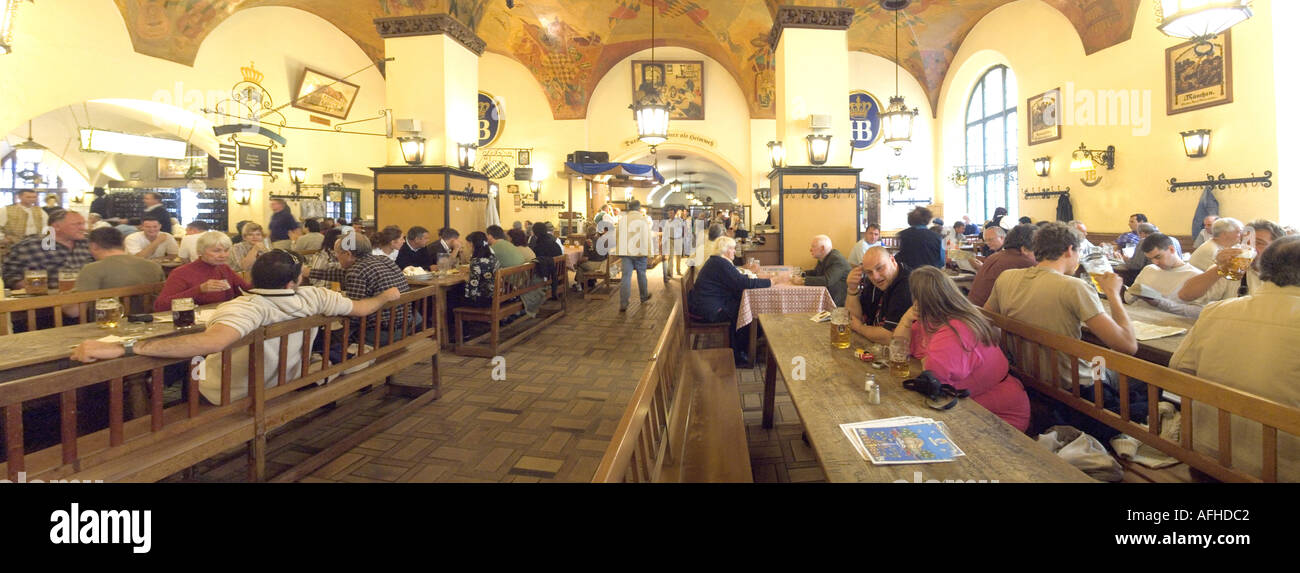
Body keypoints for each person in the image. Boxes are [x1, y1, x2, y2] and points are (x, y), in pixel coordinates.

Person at [73, 251, 402, 405]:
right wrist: (385, 296)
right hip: (283, 379)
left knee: (169, 370)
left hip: (234, 391)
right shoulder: (314, 297)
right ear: (292, 280)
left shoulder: (247, 306)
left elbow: (213, 342)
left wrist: (125, 347)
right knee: (181, 364)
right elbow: (362, 308)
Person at [984, 222, 1142, 437]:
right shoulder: (1073, 287)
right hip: (1074, 386)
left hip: (1027, 375)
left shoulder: (1007, 278)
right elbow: (1127, 346)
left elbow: (986, 320)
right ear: (1070, 249)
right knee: (1141, 373)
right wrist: (1113, 294)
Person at [1169, 235, 1300, 482]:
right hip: (1284, 468)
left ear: (1263, 269)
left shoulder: (1217, 311)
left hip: (1209, 455)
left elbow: (1178, 369)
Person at [892, 266, 1030, 431]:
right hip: (967, 401)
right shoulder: (933, 320)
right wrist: (906, 320)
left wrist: (925, 362)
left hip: (999, 415)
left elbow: (932, 380)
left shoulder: (956, 329)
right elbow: (899, 348)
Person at [309, 233, 412, 345]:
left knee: (320, 336)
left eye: (337, 254)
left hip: (379, 334)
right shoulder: (384, 260)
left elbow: (353, 316)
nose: (336, 257)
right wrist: (309, 272)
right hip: (405, 328)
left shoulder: (357, 271)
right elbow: (342, 274)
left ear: (348, 254)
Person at [689, 236, 771, 365]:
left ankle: (743, 347)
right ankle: (739, 354)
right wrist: (770, 282)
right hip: (709, 310)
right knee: (748, 314)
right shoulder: (720, 263)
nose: (734, 251)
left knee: (744, 308)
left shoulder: (717, 261)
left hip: (706, 304)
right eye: (733, 248)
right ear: (725, 250)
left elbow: (736, 279)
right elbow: (741, 282)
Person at [1178, 219, 1285, 303]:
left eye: (1259, 243)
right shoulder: (1230, 268)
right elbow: (1185, 295)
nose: (1249, 247)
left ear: (1278, 247)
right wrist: (1219, 269)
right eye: (1245, 242)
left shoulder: (1290, 273)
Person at [67, 227, 165, 316]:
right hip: (149, 323)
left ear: (94, 246)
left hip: (107, 327)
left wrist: (65, 297)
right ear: (122, 244)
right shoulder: (154, 266)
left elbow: (74, 312)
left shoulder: (92, 269)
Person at [153, 231, 250, 311]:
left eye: (226, 250)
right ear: (200, 252)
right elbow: (160, 306)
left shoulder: (224, 268)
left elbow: (247, 290)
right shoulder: (182, 273)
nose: (223, 255)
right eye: (216, 251)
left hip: (220, 316)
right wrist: (199, 290)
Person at [1122, 233, 1210, 318]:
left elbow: (1199, 312)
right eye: (1150, 259)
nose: (1155, 262)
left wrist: (1160, 303)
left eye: (1158, 257)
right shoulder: (1149, 269)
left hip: (1168, 324)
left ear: (1172, 249)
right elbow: (1129, 299)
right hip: (1137, 318)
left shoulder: (1196, 276)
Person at [2, 209, 92, 289]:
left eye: (83, 224)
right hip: (45, 302)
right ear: (56, 227)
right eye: (77, 224)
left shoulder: (88, 244)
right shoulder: (30, 246)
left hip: (85, 297)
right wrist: (36, 289)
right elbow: (9, 276)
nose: (83, 228)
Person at [846, 246, 913, 345]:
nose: (875, 277)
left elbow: (889, 337)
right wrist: (852, 289)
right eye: (869, 272)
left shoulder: (908, 285)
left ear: (892, 260)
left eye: (880, 268)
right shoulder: (873, 281)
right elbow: (853, 319)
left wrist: (860, 328)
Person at [968, 224, 1037, 307]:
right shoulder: (1024, 262)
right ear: (1025, 249)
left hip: (974, 311)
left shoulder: (995, 256)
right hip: (988, 317)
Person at [615, 199, 653, 312]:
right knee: (641, 274)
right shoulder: (643, 219)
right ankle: (643, 296)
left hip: (626, 252)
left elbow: (617, 234)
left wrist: (619, 249)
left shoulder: (623, 219)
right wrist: (650, 253)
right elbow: (647, 236)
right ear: (639, 208)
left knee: (626, 277)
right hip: (640, 252)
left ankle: (623, 303)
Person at [796, 235, 851, 306]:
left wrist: (802, 281)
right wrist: (800, 274)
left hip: (839, 303)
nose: (810, 249)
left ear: (822, 248)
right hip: (829, 296)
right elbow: (816, 273)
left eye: (813, 246)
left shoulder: (836, 259)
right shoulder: (824, 257)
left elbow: (827, 280)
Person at [461, 231, 498, 308]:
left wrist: (466, 279)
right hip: (496, 295)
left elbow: (473, 287)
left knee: (454, 295)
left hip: (486, 299)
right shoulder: (492, 257)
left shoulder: (476, 261)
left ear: (472, 244)